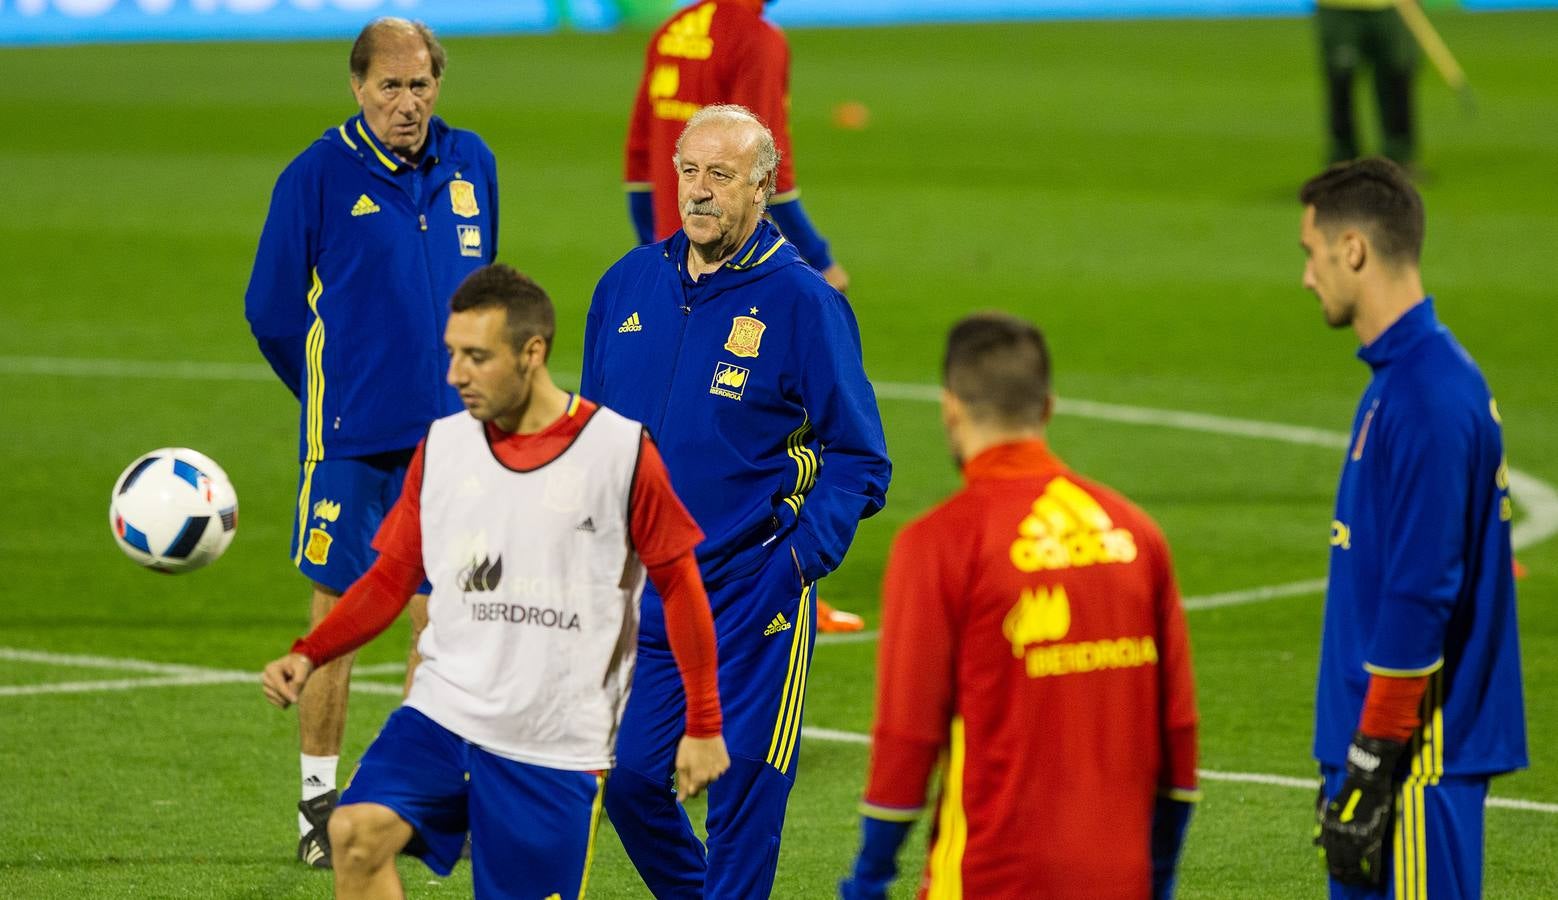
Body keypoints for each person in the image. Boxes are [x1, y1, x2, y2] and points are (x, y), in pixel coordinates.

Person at [261, 263, 729, 899]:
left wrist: (703, 725)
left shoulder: (619, 454)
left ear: (531, 354)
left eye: (477, 357)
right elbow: (393, 577)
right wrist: (310, 652)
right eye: (452, 354)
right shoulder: (444, 446)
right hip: (444, 713)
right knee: (355, 832)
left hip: (551, 742)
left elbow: (681, 588)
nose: (455, 374)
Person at [583, 104, 891, 898]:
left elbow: (860, 459)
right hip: (651, 597)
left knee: (743, 802)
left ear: (764, 188)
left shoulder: (803, 303)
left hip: (756, 595)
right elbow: (590, 436)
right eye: (688, 171)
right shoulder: (627, 284)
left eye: (721, 175)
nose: (699, 192)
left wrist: (795, 562)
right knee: (632, 783)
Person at [244, 17, 499, 866]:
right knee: (341, 621)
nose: (407, 102)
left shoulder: (473, 165)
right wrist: (332, 396)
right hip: (352, 446)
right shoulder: (316, 176)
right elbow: (271, 313)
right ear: (357, 87)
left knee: (448, 624)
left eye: (420, 84)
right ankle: (319, 808)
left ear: (439, 85)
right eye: (389, 86)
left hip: (454, 443)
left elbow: (484, 294)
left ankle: (409, 796)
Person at [838, 313, 1201, 900]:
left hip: (990, 878)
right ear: (1048, 408)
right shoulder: (1137, 535)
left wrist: (871, 875)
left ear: (950, 408)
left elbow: (907, 735)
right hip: (1120, 879)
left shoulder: (939, 543)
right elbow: (1178, 730)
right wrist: (1156, 876)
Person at [1299, 158, 1527, 897]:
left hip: (1414, 762)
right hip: (1391, 756)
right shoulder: (1402, 380)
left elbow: (1422, 595)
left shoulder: (1427, 395)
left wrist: (1371, 757)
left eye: (1312, 253)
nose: (1307, 276)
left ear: (1354, 249)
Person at [626, 0, 868, 634]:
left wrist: (653, 261)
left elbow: (634, 158)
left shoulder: (673, 29)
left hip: (677, 259)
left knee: (676, 420)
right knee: (777, 414)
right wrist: (819, 259)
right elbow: (767, 167)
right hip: (736, 259)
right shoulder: (758, 38)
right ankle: (783, 580)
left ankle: (674, 579)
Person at [1315, 0, 1418, 167]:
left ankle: (1399, 156)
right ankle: (1343, 160)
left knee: (1397, 76)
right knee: (1341, 78)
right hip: (1338, 7)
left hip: (1391, 6)